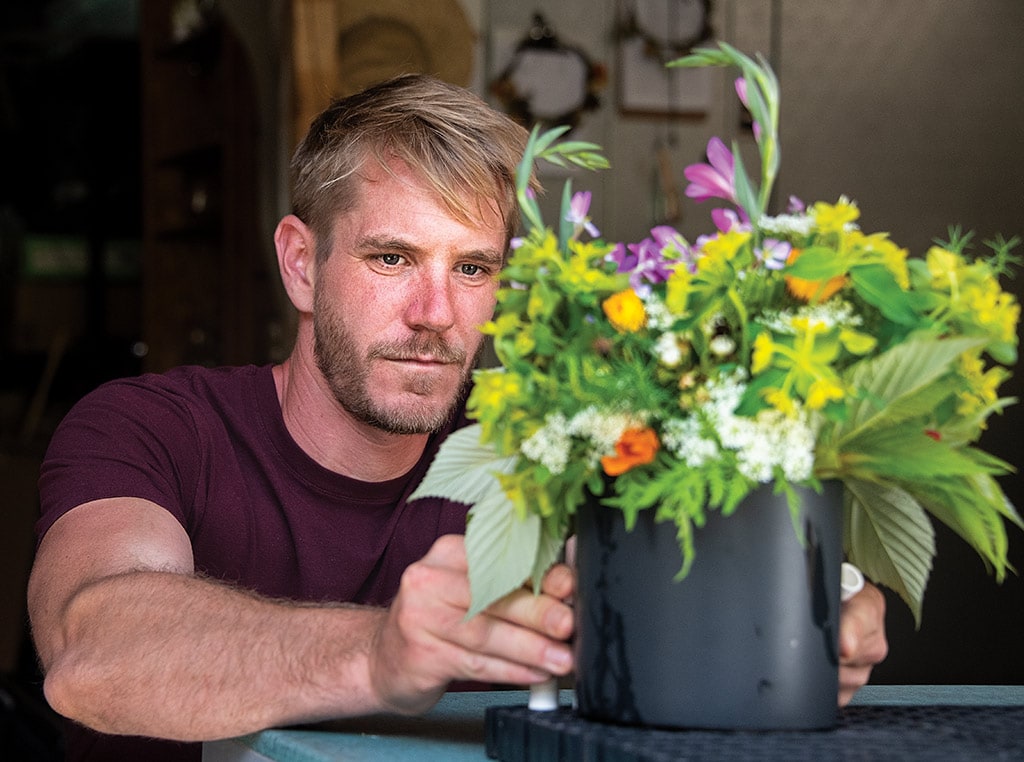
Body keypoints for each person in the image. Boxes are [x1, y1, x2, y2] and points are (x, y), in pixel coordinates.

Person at [26, 74, 888, 762]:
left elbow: (679, 599)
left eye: (474, 269)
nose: (436, 312)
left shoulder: (543, 439)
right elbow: (91, 654)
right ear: (300, 263)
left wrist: (799, 621)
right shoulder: (150, 428)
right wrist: (379, 655)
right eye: (392, 257)